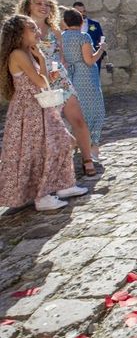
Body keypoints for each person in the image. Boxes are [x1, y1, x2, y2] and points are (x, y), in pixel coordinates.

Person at [0, 15, 87, 211]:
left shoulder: (27, 52)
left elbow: (44, 80)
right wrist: (41, 58)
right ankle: (43, 196)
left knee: (63, 142)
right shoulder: (18, 54)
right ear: (19, 33)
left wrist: (42, 62)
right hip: (28, 109)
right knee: (42, 149)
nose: (37, 32)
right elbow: (41, 82)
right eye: (32, 28)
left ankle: (63, 185)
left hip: (40, 105)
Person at [15, 0, 95, 171]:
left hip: (59, 79)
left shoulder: (55, 30)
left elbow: (62, 57)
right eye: (38, 3)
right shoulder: (21, 30)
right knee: (45, 126)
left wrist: (59, 70)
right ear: (28, 6)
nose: (44, 7)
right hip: (35, 81)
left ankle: (87, 159)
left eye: (47, 4)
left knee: (79, 119)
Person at [61, 8, 107, 165]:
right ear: (81, 22)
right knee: (94, 109)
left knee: (76, 109)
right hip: (86, 76)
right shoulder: (83, 36)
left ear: (65, 22)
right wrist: (101, 49)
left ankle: (78, 143)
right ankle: (93, 146)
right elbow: (89, 60)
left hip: (70, 75)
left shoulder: (62, 37)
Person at [72, 1, 105, 70]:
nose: (82, 14)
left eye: (84, 11)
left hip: (93, 58)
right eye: (80, 12)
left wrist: (100, 47)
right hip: (76, 59)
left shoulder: (95, 25)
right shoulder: (69, 26)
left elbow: (101, 38)